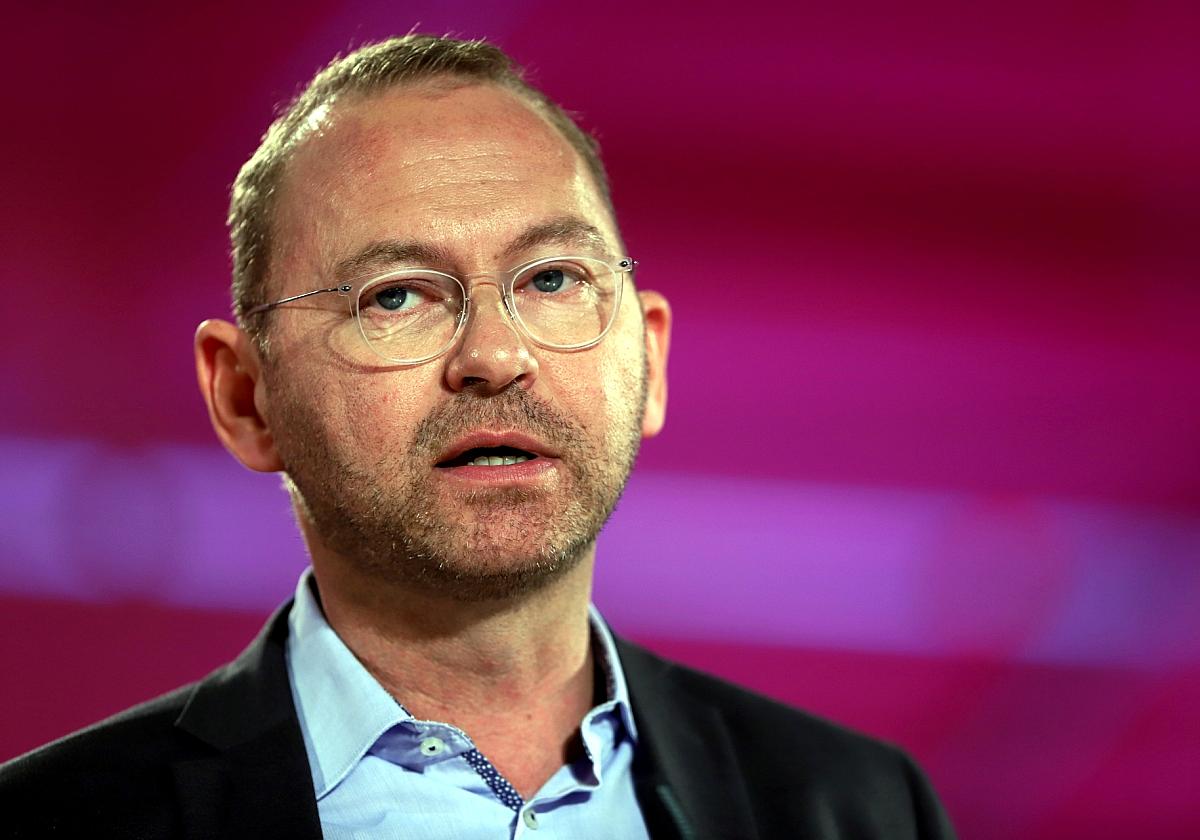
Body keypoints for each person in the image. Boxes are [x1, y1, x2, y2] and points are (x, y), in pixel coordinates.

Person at [0, 34, 955, 839]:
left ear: (650, 358)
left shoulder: (861, 808)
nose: (496, 356)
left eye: (552, 279)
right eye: (396, 297)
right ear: (246, 398)